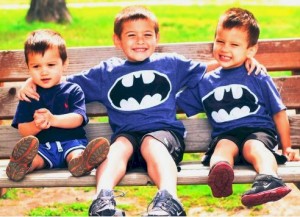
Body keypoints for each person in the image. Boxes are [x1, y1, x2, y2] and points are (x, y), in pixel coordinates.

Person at [17, 6, 262, 216]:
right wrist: (33, 82)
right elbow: (62, 83)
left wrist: (241, 60)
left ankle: (168, 199)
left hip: (164, 137)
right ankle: (102, 199)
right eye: (131, 35)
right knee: (117, 147)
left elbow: (208, 68)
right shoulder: (106, 72)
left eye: (147, 35)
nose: (140, 41)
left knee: (150, 144)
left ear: (157, 38)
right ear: (117, 40)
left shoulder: (171, 64)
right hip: (127, 137)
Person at [177, 7, 300, 207]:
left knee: (254, 146)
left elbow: (278, 111)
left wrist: (287, 147)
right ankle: (221, 175)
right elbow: (175, 100)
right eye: (220, 41)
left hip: (258, 132)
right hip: (226, 135)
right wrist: (206, 68)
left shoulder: (256, 74)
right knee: (223, 147)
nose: (225, 49)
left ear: (251, 50)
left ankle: (269, 179)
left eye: (234, 44)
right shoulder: (205, 82)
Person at [6, 29, 110, 182]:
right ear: (28, 68)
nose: (44, 72)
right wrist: (37, 125)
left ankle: (80, 163)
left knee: (76, 154)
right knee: (34, 160)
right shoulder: (29, 95)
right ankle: (21, 165)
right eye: (36, 67)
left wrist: (53, 120)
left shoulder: (73, 90)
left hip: (72, 143)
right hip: (43, 148)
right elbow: (23, 129)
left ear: (64, 64)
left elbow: (78, 118)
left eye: (50, 64)